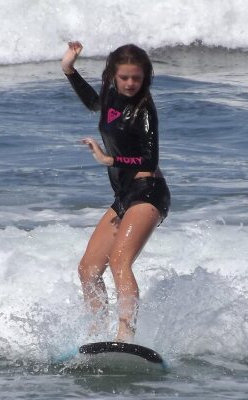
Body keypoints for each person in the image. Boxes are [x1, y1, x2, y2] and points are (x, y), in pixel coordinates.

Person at [60, 41, 170, 343]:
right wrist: (69, 70)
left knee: (120, 261)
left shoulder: (144, 108)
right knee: (88, 269)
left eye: (136, 77)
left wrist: (111, 159)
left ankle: (125, 337)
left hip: (148, 192)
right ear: (113, 77)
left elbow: (150, 159)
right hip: (123, 197)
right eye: (124, 78)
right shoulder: (111, 96)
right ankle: (96, 335)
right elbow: (95, 104)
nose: (131, 83)